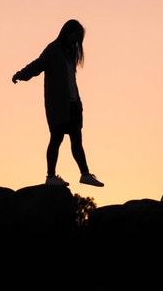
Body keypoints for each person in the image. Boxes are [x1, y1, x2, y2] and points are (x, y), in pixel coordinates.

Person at [12, 19, 104, 188]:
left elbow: (71, 81)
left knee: (77, 140)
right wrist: (21, 74)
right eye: (75, 36)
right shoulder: (53, 50)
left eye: (78, 38)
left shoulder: (70, 53)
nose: (76, 41)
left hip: (73, 104)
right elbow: (37, 65)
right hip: (58, 105)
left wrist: (78, 102)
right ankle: (51, 176)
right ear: (67, 32)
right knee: (56, 138)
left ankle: (85, 174)